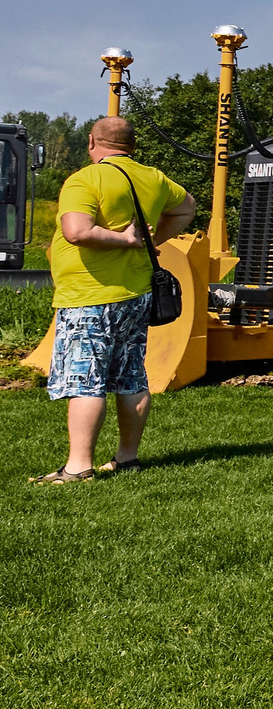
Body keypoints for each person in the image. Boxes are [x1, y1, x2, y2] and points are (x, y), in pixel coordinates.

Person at [36, 116, 196, 485]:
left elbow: (76, 231)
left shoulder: (85, 179)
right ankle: (127, 458)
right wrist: (150, 243)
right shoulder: (153, 178)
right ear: (131, 146)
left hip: (88, 296)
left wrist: (126, 241)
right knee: (131, 377)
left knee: (84, 381)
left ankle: (77, 468)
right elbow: (187, 206)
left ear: (92, 141)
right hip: (135, 292)